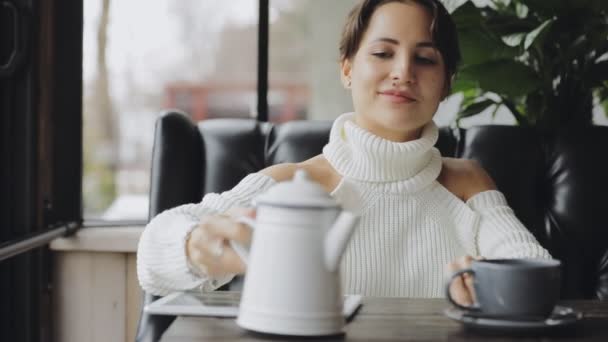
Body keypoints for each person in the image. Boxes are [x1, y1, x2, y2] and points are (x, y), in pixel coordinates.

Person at [137, 0, 551, 306]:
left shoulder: (467, 182)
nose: (403, 72)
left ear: (445, 85)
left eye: (425, 58)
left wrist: (494, 291)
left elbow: (535, 271)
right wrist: (197, 247)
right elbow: (154, 253)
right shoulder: (293, 182)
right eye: (382, 52)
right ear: (348, 67)